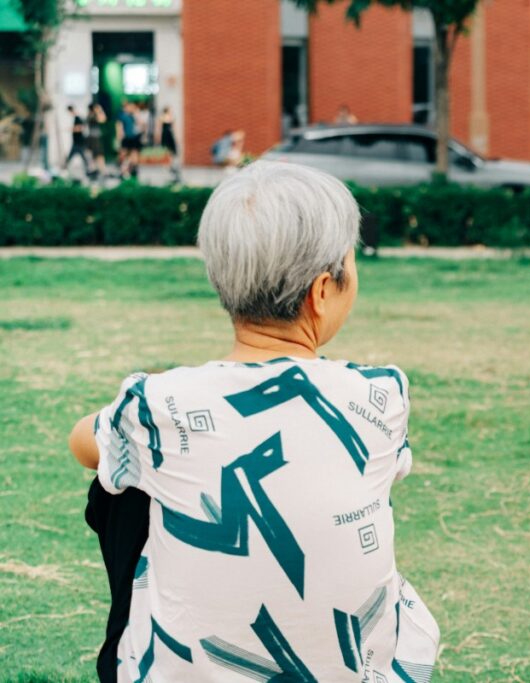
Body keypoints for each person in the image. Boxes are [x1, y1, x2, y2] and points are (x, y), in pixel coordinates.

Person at [68, 161, 440, 682]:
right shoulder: (380, 396)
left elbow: (82, 442)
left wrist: (136, 414)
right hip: (354, 671)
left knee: (122, 481)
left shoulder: (158, 403)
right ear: (323, 291)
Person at [116, 101, 141, 179]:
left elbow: (139, 124)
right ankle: (123, 170)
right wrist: (119, 136)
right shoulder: (122, 116)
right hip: (126, 138)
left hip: (134, 137)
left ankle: (133, 170)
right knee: (123, 154)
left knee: (134, 154)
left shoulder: (132, 116)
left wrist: (137, 114)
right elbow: (118, 126)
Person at [65, 105, 92, 174]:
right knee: (75, 156)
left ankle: (88, 169)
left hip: (79, 141)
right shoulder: (76, 118)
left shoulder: (78, 118)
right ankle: (66, 167)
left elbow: (81, 128)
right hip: (76, 141)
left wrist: (71, 129)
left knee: (82, 156)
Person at [159, 105, 180, 182]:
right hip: (165, 136)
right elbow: (160, 128)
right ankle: (168, 165)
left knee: (172, 152)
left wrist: (176, 137)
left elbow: (174, 128)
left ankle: (172, 165)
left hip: (170, 136)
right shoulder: (162, 117)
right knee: (167, 151)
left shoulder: (172, 117)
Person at [87, 102, 108, 177]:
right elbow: (103, 119)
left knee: (95, 155)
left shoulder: (90, 115)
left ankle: (97, 170)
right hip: (95, 138)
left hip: (91, 137)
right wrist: (100, 110)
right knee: (99, 154)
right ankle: (102, 170)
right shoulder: (93, 115)